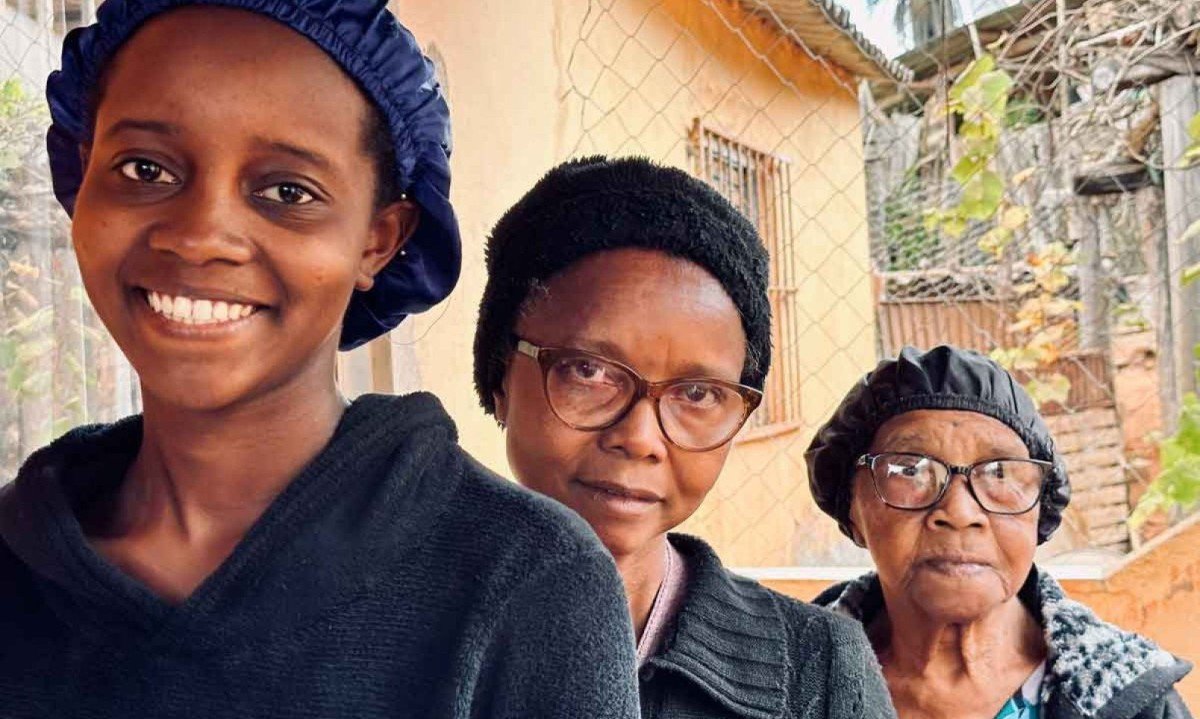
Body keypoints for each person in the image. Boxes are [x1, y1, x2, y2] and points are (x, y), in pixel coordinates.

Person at [0, 3, 640, 717]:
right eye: (144, 168)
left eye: (287, 192)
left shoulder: (525, 582)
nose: (200, 235)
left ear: (378, 240)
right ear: (82, 176)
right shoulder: (16, 559)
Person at [473, 155, 897, 719]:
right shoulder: (393, 628)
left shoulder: (819, 668)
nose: (640, 438)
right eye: (588, 371)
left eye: (697, 393)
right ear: (500, 376)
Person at [806, 345, 1193, 719]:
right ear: (853, 510)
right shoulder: (789, 681)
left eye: (1000, 472)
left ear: (1040, 509)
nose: (959, 512)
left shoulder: (1133, 701)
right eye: (909, 470)